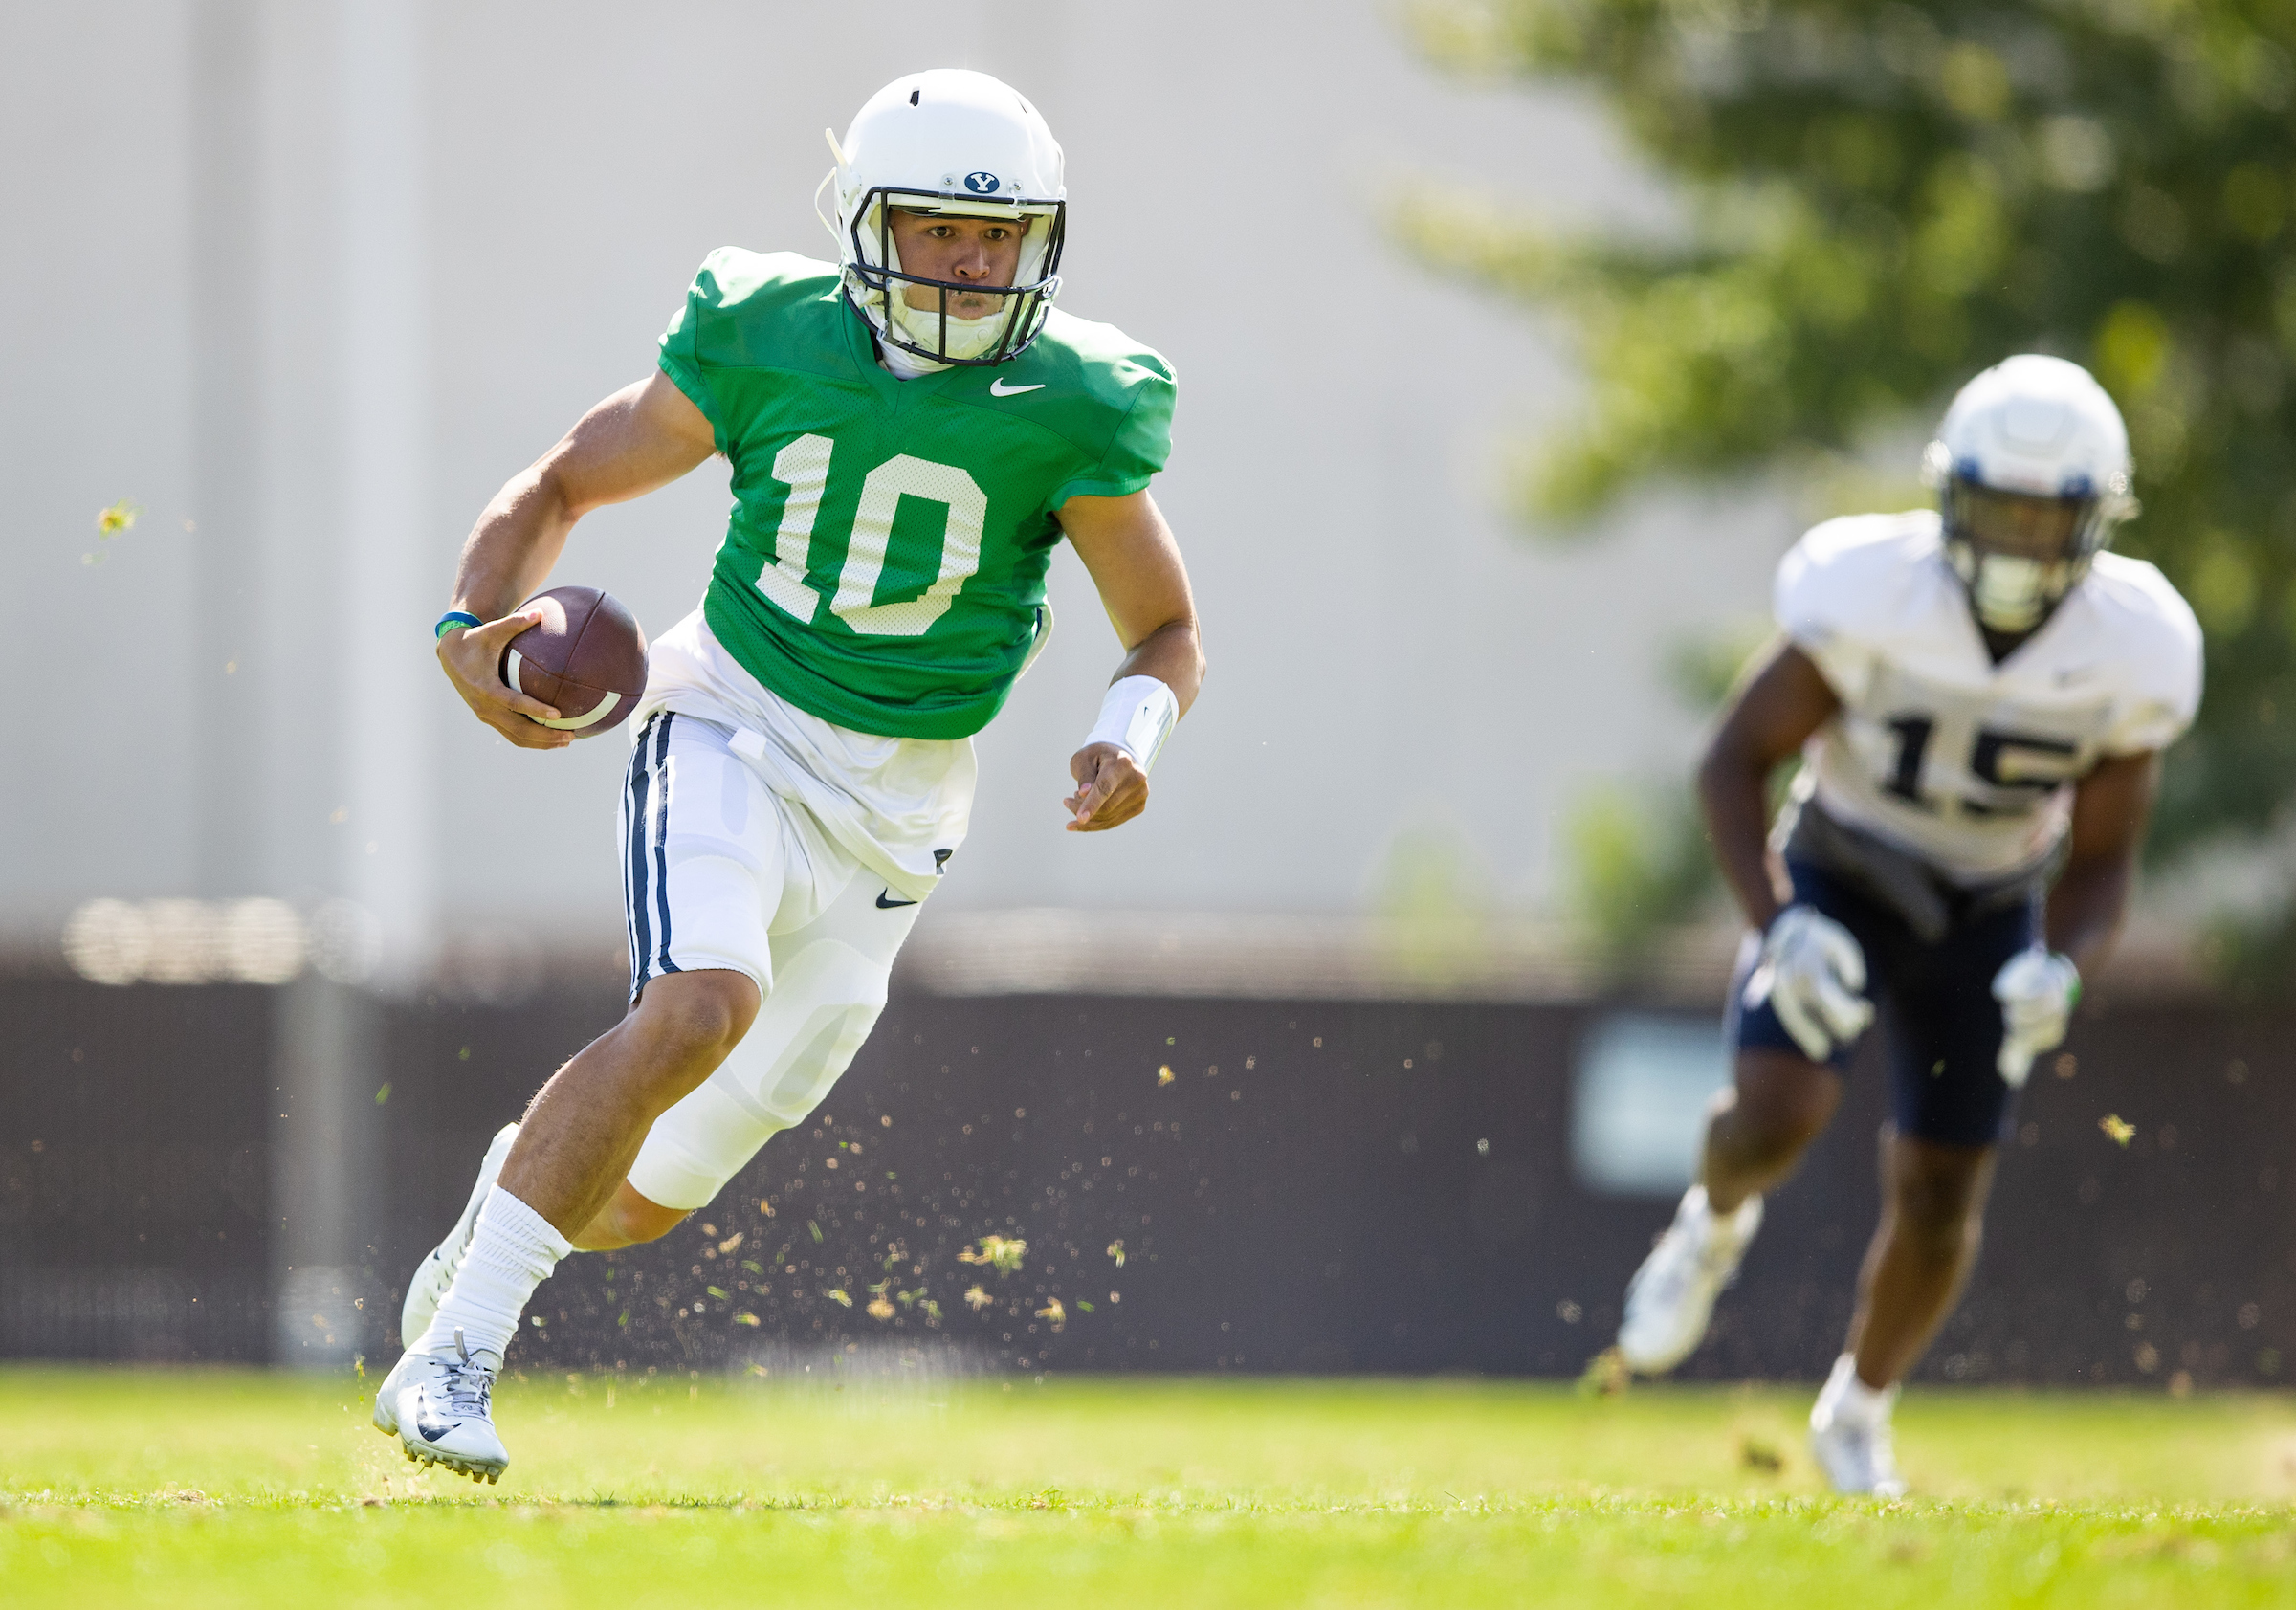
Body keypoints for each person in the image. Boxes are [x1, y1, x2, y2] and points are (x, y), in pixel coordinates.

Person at [372, 69, 1204, 1482]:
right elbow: (565, 479)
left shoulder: (1075, 399)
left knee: (637, 1202)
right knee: (701, 1004)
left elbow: (1165, 630)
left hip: (901, 818)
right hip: (732, 723)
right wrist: (468, 628)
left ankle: (494, 1215)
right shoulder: (766, 331)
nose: (971, 262)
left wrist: (1133, 732)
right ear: (867, 222)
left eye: (998, 235)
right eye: (940, 227)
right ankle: (452, 1361)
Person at [1612, 355, 2201, 1495]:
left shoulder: (2139, 645)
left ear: (2095, 521)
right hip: (1845, 866)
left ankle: (1858, 1412)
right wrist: (1779, 923)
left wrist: (2065, 970)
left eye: (2045, 518)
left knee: (1941, 1192)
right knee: (1775, 1115)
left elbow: (2105, 860)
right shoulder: (1871, 588)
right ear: (1949, 496)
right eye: (1999, 510)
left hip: (1991, 903)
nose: (2019, 543)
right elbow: (1732, 761)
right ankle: (1711, 1225)